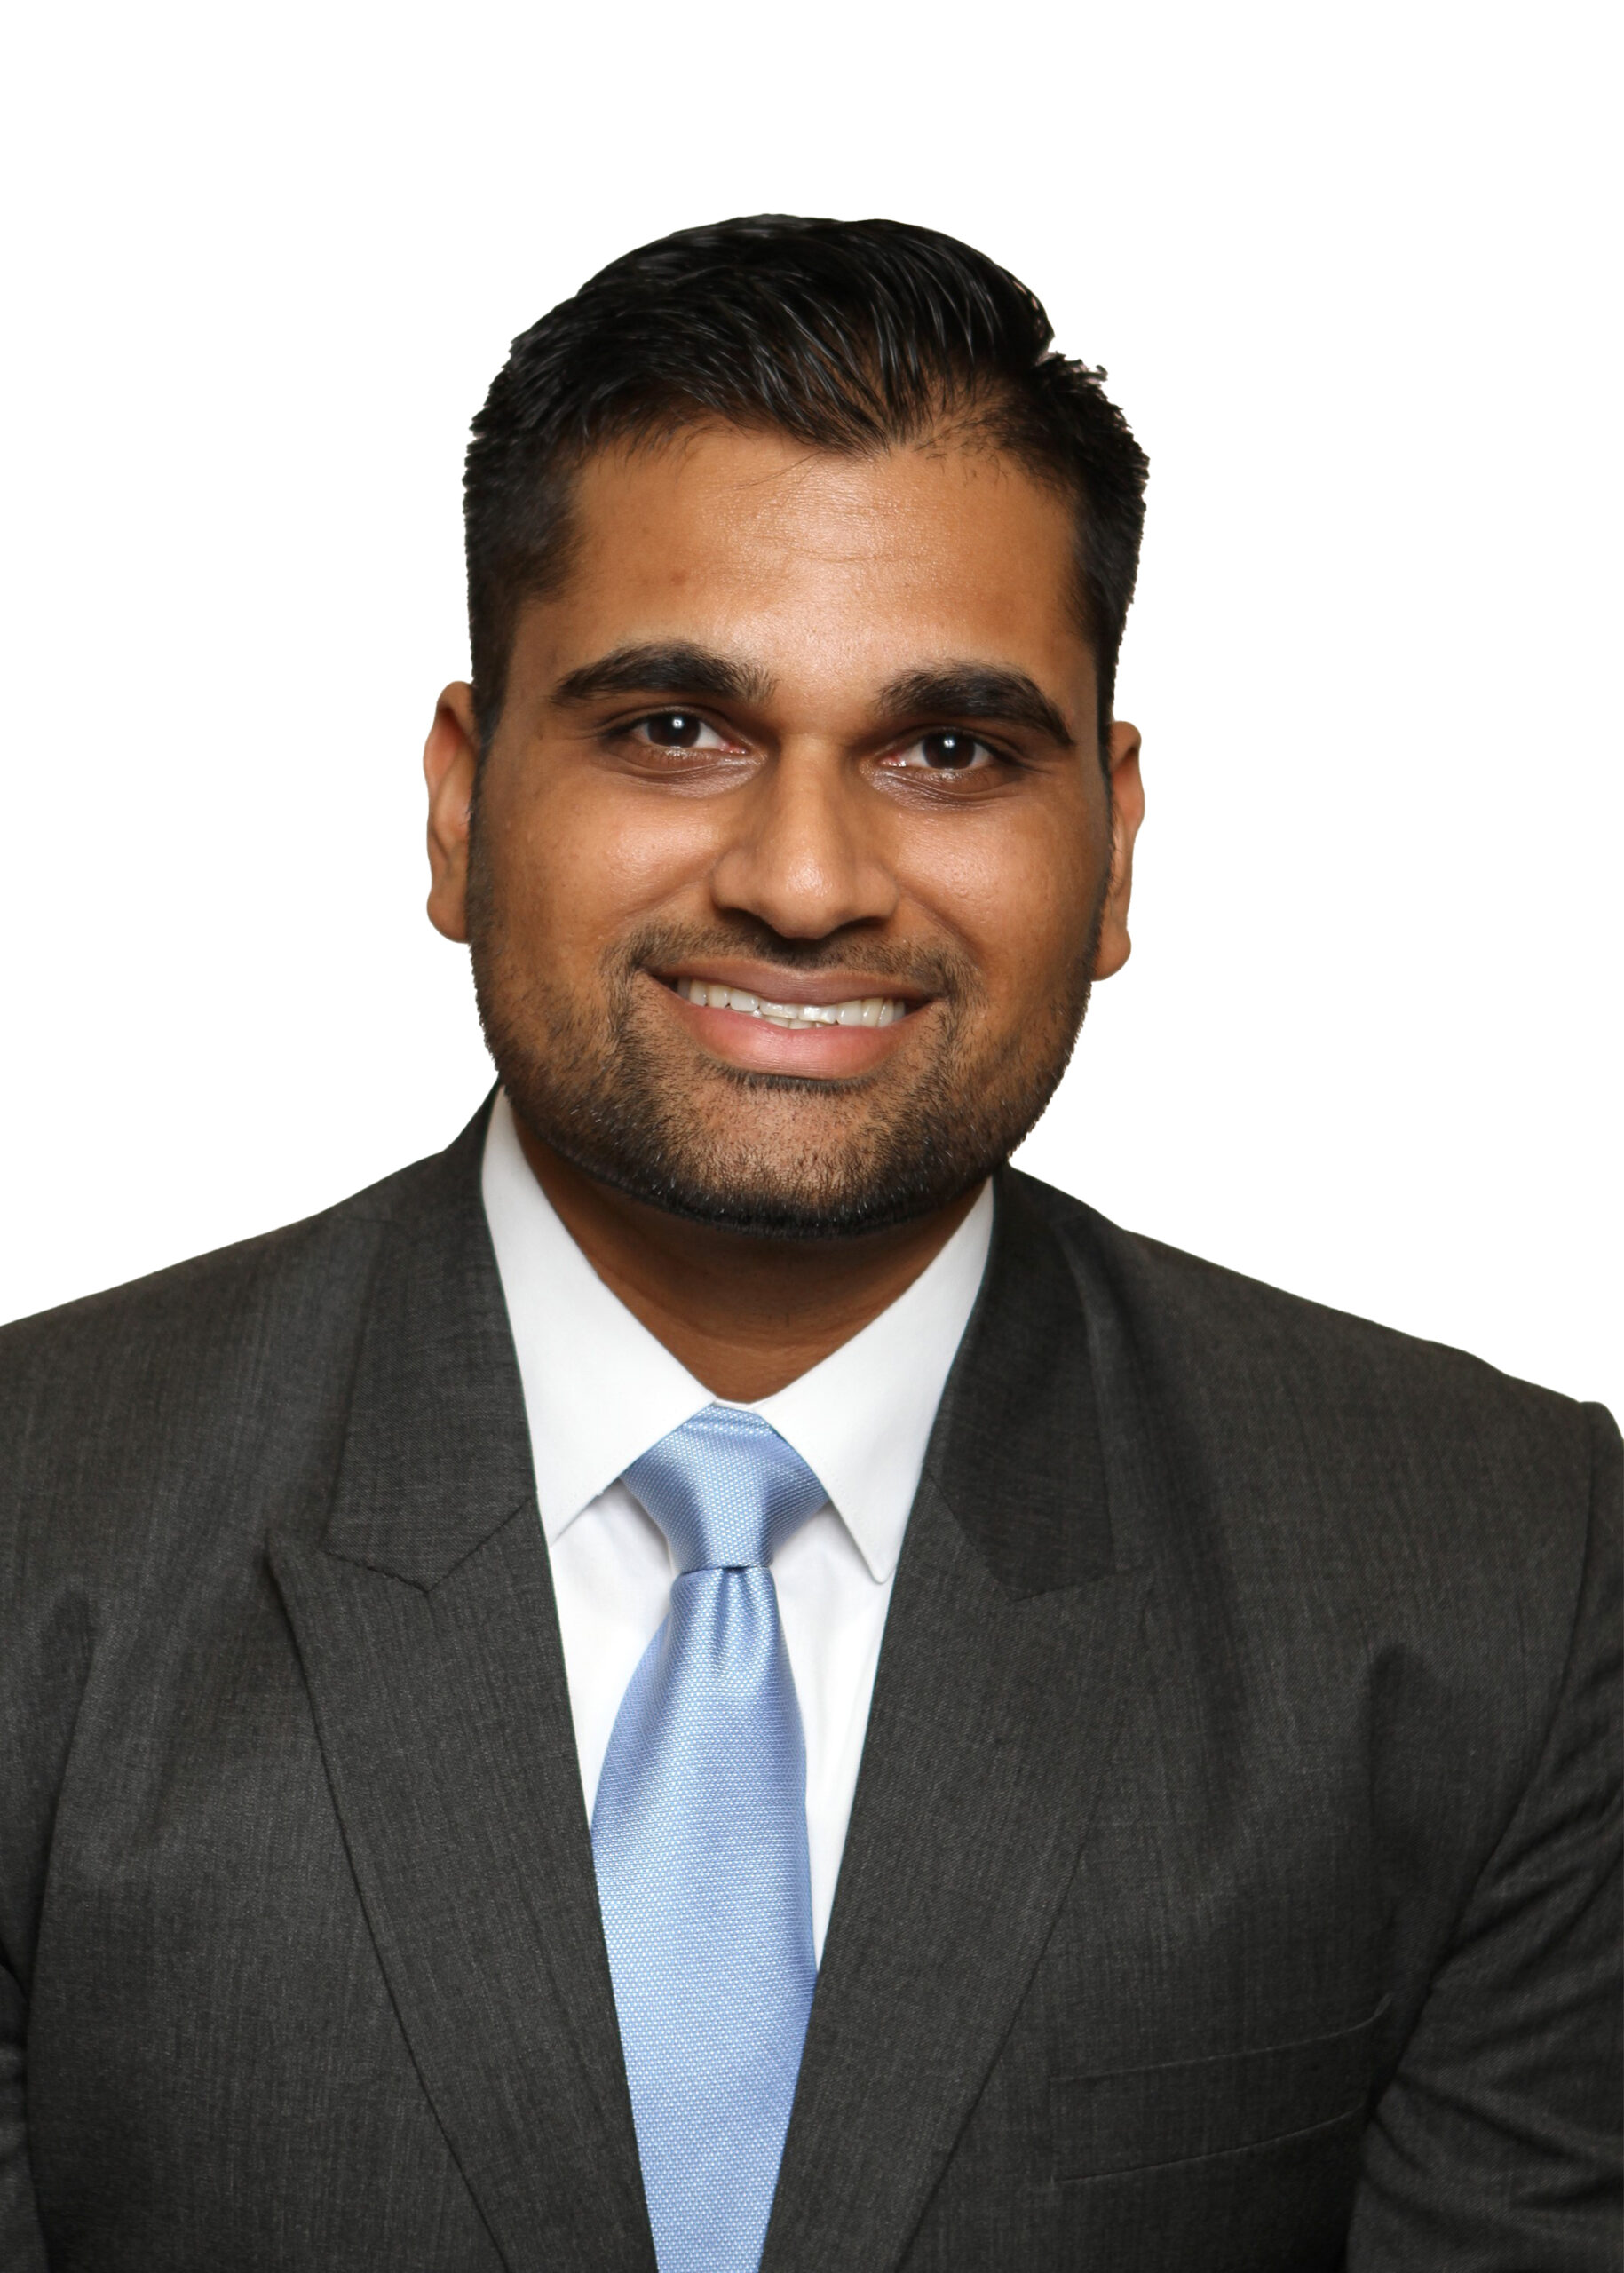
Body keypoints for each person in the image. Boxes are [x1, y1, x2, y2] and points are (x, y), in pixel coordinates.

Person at [0, 214, 1617, 2273]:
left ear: (1114, 848)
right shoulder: (32, 1524)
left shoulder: (1497, 1570)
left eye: (950, 748)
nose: (803, 877)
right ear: (462, 801)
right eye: (676, 726)